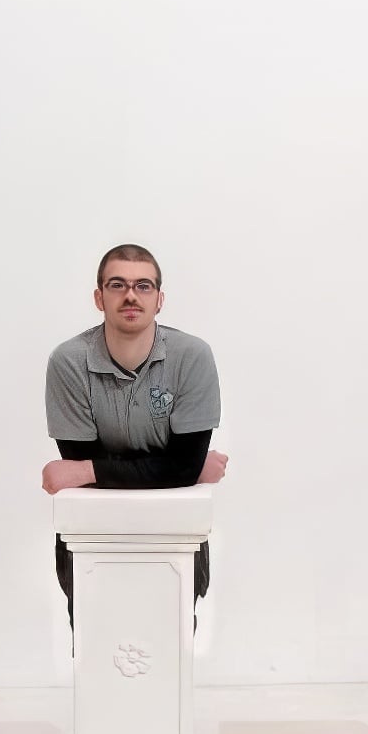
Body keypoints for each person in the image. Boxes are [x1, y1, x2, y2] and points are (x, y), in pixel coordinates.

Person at [41, 243, 228, 624]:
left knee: (170, 642)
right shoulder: (69, 362)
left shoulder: (192, 356)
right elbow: (85, 471)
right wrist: (184, 467)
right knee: (97, 640)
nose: (131, 295)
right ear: (99, 298)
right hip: (93, 535)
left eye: (143, 285)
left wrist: (89, 470)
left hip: (173, 532)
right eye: (117, 285)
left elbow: (82, 471)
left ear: (160, 300)